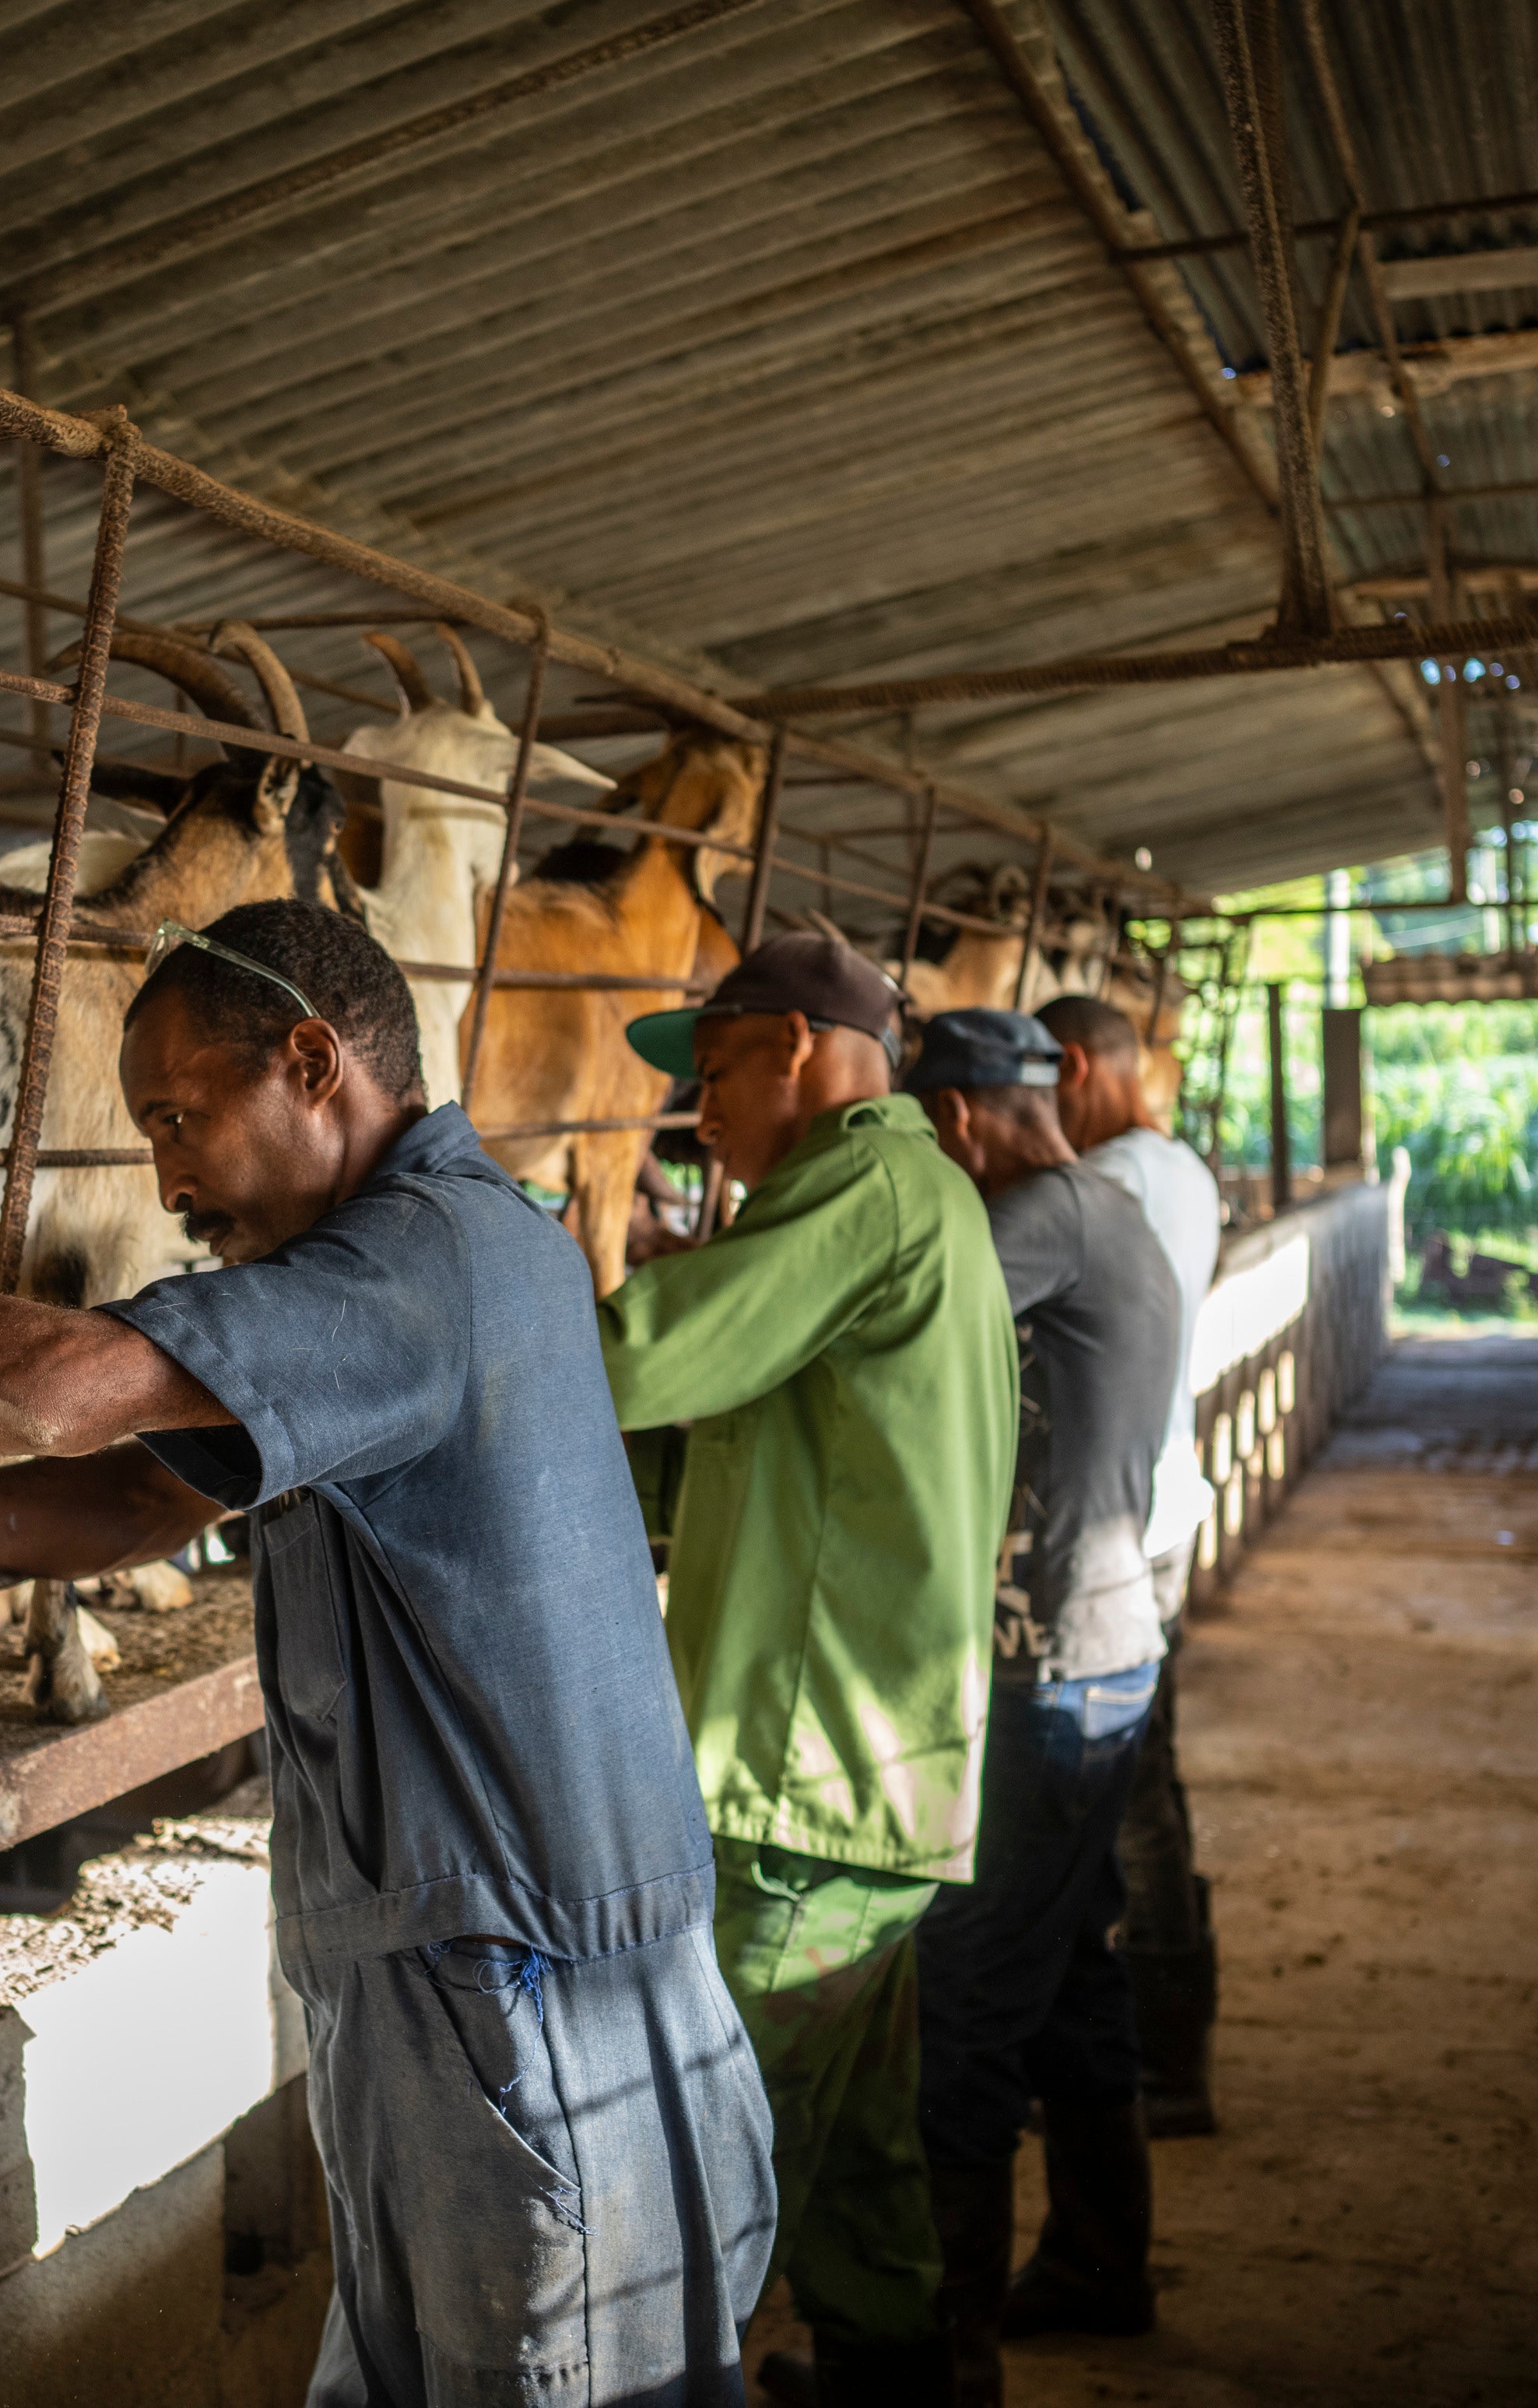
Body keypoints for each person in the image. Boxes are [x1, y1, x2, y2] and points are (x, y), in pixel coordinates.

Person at [0, 899, 777, 2407]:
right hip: (496, 1956)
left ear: (312, 1060)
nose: (165, 1173)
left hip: (517, 1975)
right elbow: (137, 1491)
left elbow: (57, 1389)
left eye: (178, 1114)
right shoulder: (456, 1251)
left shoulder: (418, 1262)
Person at [593, 933, 1018, 2408]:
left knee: (692, 2160)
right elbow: (736, 1441)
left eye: (710, 1075)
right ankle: (895, 2377)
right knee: (857, 2159)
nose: (697, 1114)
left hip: (804, 1783)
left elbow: (640, 1358)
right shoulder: (922, 1202)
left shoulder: (864, 1180)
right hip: (876, 1775)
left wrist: (489, 1309)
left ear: (791, 1045)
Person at [904, 1007, 1189, 2403]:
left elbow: (904, 1328)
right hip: (1098, 1649)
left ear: (958, 1124)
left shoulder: (1053, 1218)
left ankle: (930, 2367)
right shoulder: (1101, 1210)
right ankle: (1098, 2260)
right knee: (1069, 1972)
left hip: (1057, 1674)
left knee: (960, 2003)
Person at [1036, 994, 1225, 2139]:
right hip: (1162, 1509)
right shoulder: (1181, 1170)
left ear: (1072, 1068)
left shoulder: (1112, 1187)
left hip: (1124, 1527)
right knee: (1144, 1792)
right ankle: (1163, 2055)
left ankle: (1163, 2067)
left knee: (1129, 1800)